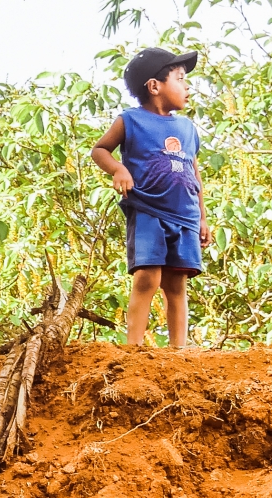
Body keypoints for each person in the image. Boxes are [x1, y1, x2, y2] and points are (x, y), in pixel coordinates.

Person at [90, 47, 213, 348]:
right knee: (147, 276)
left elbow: (194, 175)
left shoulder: (187, 128)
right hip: (148, 209)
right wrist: (118, 169)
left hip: (185, 216)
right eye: (181, 79)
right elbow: (99, 149)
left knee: (176, 282)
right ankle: (133, 346)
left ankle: (178, 349)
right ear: (154, 86)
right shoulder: (130, 120)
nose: (187, 87)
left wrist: (203, 217)